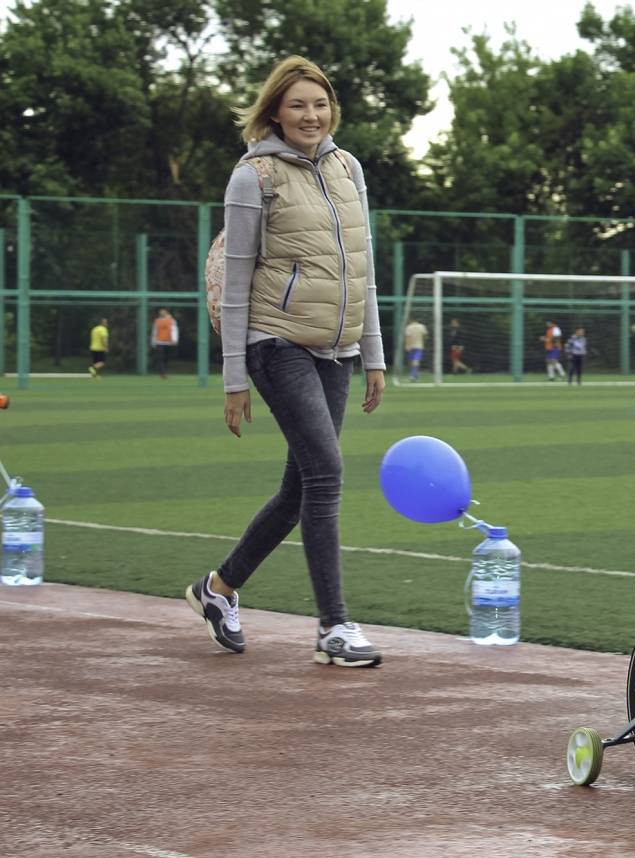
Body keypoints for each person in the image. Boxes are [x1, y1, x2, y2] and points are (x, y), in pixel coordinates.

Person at [185, 55, 386, 668]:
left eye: (320, 104)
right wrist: (233, 375)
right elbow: (236, 279)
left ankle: (217, 590)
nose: (311, 115)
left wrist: (373, 355)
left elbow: (363, 270)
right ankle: (334, 627)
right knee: (325, 473)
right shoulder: (254, 176)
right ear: (275, 111)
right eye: (297, 105)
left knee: (299, 489)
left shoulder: (348, 168)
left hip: (338, 349)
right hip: (276, 343)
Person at [151, 308, 179, 379]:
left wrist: (174, 339)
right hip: (159, 342)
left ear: (166, 313)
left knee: (166, 358)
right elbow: (154, 331)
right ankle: (162, 373)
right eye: (161, 312)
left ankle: (164, 372)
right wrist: (153, 341)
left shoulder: (171, 321)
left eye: (163, 312)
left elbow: (174, 330)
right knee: (160, 358)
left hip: (168, 342)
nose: (162, 313)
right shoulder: (157, 321)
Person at [404, 316, 428, 381]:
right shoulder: (422, 326)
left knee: (412, 361)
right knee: (416, 361)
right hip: (419, 346)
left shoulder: (409, 327)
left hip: (411, 346)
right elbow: (425, 336)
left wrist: (407, 345)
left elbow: (407, 337)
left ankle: (414, 375)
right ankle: (414, 374)